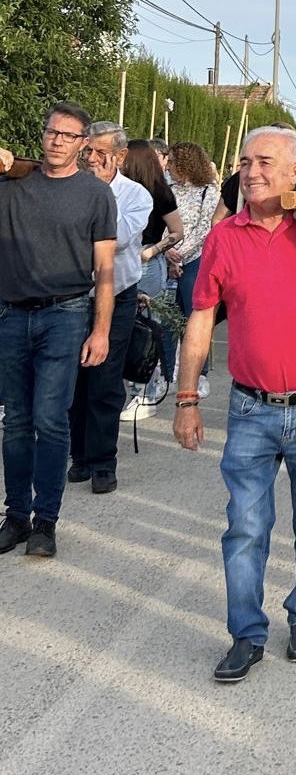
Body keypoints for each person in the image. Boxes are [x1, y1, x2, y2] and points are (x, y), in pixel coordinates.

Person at [173, 126, 296, 683]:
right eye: (246, 162)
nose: (252, 172)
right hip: (251, 409)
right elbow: (202, 317)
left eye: (266, 162)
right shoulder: (225, 235)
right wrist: (186, 397)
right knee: (246, 527)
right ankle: (246, 634)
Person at [0, 105, 116, 557]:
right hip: (10, 314)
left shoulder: (94, 195)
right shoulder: (12, 185)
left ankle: (46, 521)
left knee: (50, 420)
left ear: (83, 144)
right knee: (16, 421)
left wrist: (101, 330)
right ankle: (16, 516)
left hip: (65, 315)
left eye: (68, 136)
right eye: (51, 132)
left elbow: (105, 268)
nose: (57, 141)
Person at [67, 122, 153, 495]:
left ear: (119, 156)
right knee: (72, 380)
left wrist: (94, 194)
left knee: (103, 379)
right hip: (72, 297)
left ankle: (103, 461)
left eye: (99, 152)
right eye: (87, 151)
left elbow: (113, 239)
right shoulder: (69, 187)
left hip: (116, 296)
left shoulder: (136, 195)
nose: (91, 159)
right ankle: (79, 455)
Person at [119, 139, 182, 419]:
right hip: (121, 260)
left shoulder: (159, 191)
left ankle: (146, 392)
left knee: (144, 328)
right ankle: (131, 390)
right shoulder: (118, 189)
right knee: (122, 326)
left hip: (145, 261)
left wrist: (154, 251)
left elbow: (177, 231)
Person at [162, 142, 219, 395]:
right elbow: (157, 221)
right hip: (165, 256)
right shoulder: (165, 189)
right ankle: (164, 371)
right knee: (164, 317)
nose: (168, 166)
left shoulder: (208, 192)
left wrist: (181, 254)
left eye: (173, 161)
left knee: (193, 317)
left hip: (195, 258)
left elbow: (206, 227)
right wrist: (166, 250)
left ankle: (199, 373)